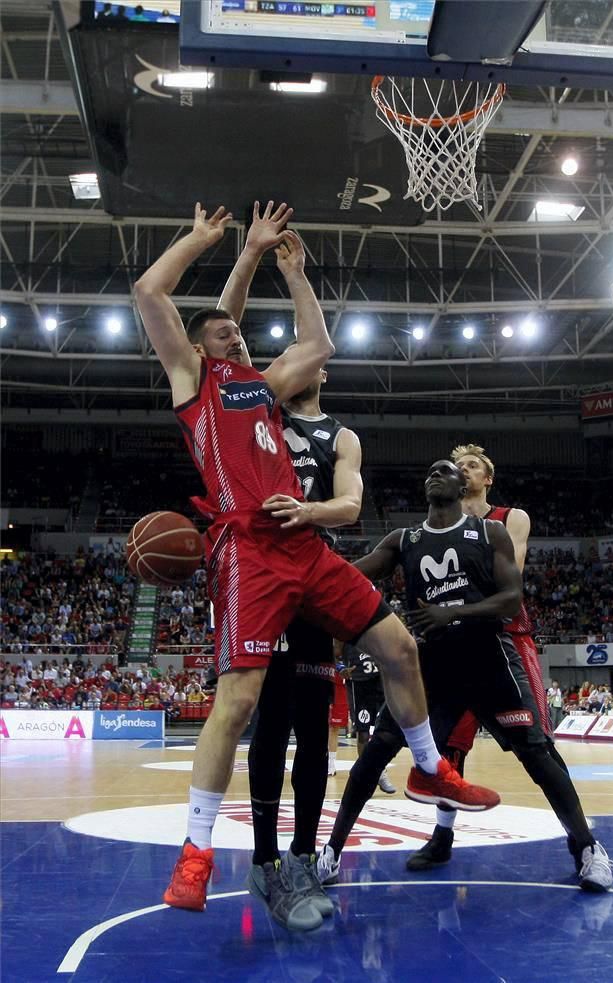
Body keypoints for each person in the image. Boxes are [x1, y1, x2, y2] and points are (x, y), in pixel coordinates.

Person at [134, 201, 499, 917]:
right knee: (238, 704)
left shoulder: (260, 389)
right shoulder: (193, 382)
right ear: (202, 347)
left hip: (305, 548)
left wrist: (295, 273)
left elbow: (320, 346)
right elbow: (151, 294)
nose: (234, 331)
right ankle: (197, 850)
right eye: (222, 330)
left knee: (399, 647)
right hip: (248, 552)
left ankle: (430, 770)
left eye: (237, 329)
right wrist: (208, 243)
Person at [316, 460, 613, 893]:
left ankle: (587, 848)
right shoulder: (405, 539)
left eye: (446, 470)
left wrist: (453, 612)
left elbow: (512, 599)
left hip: (488, 658)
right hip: (431, 667)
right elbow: (350, 575)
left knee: (537, 754)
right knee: (378, 749)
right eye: (430, 470)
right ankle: (331, 853)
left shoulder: (490, 532)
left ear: (462, 486)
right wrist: (308, 564)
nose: (436, 472)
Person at [215, 210, 367, 928]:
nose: (309, 361)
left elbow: (351, 507)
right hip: (266, 580)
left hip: (315, 582)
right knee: (268, 727)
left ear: (321, 372)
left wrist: (299, 276)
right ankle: (267, 861)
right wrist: (251, 261)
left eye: (315, 360)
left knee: (314, 728)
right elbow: (223, 337)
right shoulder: (260, 407)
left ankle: (305, 854)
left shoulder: (341, 433)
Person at [405, 442, 571, 872]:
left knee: (539, 746)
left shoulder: (509, 519)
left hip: (507, 637)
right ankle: (442, 837)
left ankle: (583, 842)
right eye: (457, 465)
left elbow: (506, 580)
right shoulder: (437, 528)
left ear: (486, 479)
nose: (463, 469)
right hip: (457, 645)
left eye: (472, 465)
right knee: (449, 749)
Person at [338, 639, 395, 794]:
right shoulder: (345, 626)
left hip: (380, 680)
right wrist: (340, 667)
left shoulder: (377, 621)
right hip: (359, 683)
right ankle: (369, 774)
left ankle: (378, 770)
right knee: (363, 733)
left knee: (384, 728)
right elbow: (334, 651)